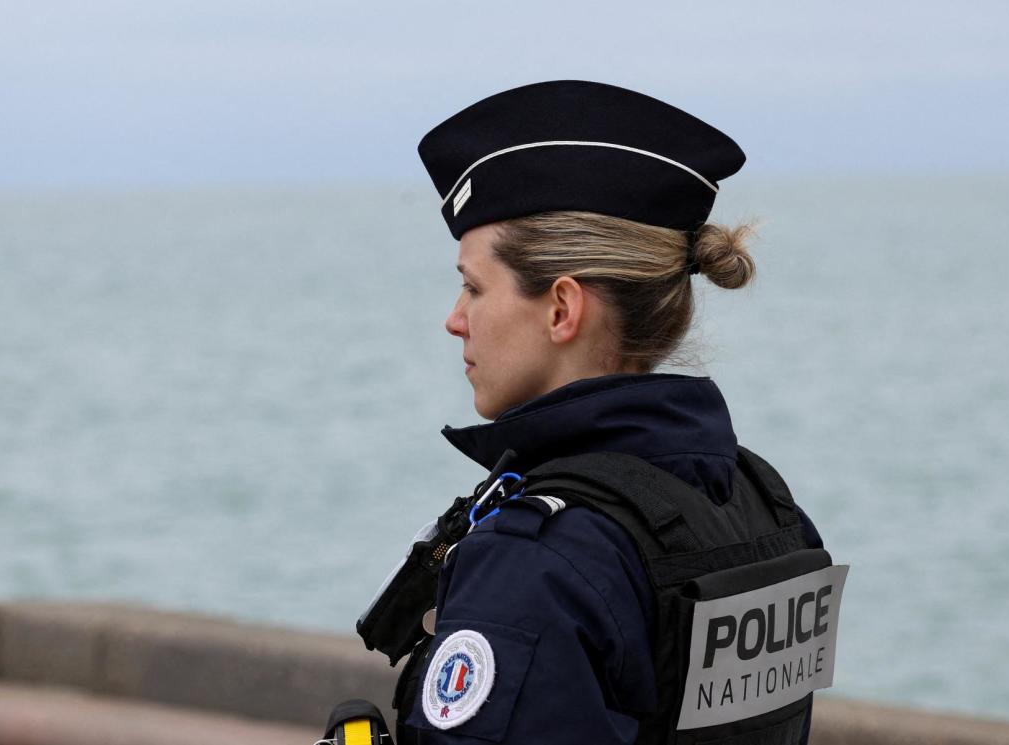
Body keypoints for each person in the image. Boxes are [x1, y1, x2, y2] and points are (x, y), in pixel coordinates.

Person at [355, 80, 846, 745]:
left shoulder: (538, 563)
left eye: (473, 286)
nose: (455, 318)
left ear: (561, 308)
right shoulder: (771, 510)